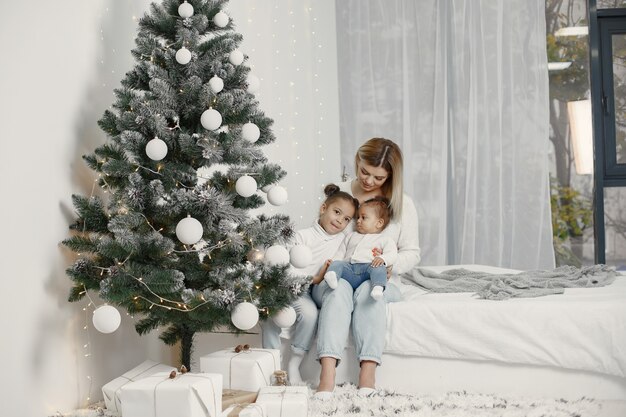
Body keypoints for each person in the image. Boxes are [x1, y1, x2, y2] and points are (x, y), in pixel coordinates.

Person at [312, 137, 421, 398]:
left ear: (391, 176)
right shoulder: (338, 192)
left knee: (370, 295)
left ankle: (368, 373)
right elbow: (319, 236)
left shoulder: (402, 204)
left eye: (379, 177)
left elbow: (412, 253)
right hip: (342, 273)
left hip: (377, 277)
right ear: (357, 161)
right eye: (364, 172)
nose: (369, 181)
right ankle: (326, 377)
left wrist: (389, 264)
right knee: (339, 293)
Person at [261, 184, 359, 384]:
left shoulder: (342, 241)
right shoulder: (302, 236)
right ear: (324, 208)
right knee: (272, 314)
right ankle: (270, 363)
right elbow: (285, 268)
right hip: (285, 286)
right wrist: (314, 278)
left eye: (346, 219)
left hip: (305, 293)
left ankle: (294, 363)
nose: (340, 220)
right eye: (337, 212)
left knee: (310, 314)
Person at [323, 197, 397, 300]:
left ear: (379, 223)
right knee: (337, 264)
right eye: (358, 217)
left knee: (380, 269)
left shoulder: (385, 240)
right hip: (349, 268)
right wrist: (334, 261)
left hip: (368, 270)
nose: (358, 221)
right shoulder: (351, 236)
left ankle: (378, 287)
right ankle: (333, 277)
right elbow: (341, 252)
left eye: (363, 217)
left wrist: (383, 259)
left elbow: (392, 254)